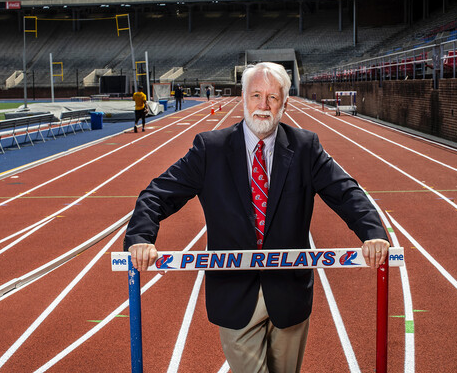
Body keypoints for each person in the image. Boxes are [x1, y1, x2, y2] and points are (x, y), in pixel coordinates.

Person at [124, 62, 389, 373]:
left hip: (288, 292)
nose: (263, 106)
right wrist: (141, 238)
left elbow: (346, 192)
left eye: (273, 98)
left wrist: (373, 233)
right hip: (235, 292)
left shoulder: (305, 148)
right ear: (243, 97)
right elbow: (157, 194)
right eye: (256, 96)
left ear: (285, 103)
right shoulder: (210, 149)